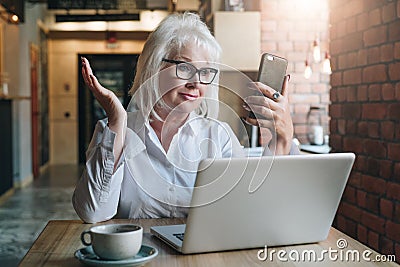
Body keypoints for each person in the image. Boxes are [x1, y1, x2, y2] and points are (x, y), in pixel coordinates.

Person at [73, 12, 299, 223]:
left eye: (205, 72)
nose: (196, 83)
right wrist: (116, 120)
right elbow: (93, 212)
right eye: (185, 68)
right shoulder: (114, 130)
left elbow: (252, 208)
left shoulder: (219, 136)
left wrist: (281, 140)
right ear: (154, 68)